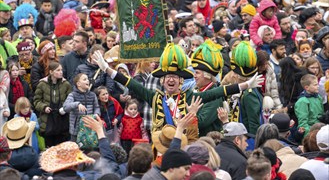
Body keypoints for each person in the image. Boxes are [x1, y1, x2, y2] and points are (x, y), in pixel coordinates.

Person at [93, 42, 264, 142]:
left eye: (175, 76)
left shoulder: (190, 95)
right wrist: (107, 69)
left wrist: (246, 84)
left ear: (181, 80)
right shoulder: (155, 96)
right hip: (161, 146)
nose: (171, 79)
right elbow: (130, 82)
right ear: (162, 80)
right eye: (167, 77)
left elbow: (218, 92)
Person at [190, 40, 225, 136]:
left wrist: (190, 113)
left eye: (197, 73)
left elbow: (201, 122)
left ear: (207, 75)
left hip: (210, 143)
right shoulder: (198, 90)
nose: (194, 76)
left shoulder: (215, 96)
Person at [34, 61, 72, 147]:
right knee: (50, 147)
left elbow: (70, 100)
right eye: (58, 70)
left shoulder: (66, 84)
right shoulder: (42, 84)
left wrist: (65, 108)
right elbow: (36, 101)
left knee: (63, 147)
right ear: (51, 72)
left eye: (61, 70)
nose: (61, 72)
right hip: (48, 120)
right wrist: (44, 107)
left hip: (62, 119)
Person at [61, 73, 100, 141]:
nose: (87, 81)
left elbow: (97, 107)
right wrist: (77, 104)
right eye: (84, 79)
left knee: (90, 150)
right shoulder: (72, 95)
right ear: (78, 84)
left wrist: (97, 114)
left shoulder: (92, 95)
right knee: (76, 150)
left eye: (87, 79)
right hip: (76, 131)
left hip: (90, 128)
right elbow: (65, 107)